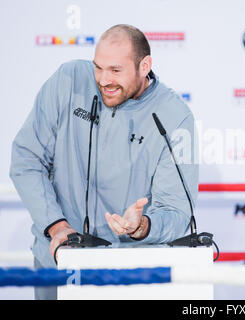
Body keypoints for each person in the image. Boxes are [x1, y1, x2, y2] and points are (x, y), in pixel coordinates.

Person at [9, 24, 198, 299]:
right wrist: (57, 226)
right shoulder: (69, 80)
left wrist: (142, 225)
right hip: (58, 261)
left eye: (116, 70)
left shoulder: (176, 117)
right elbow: (27, 158)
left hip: (127, 274)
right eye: (98, 67)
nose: (103, 79)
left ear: (145, 65)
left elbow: (177, 210)